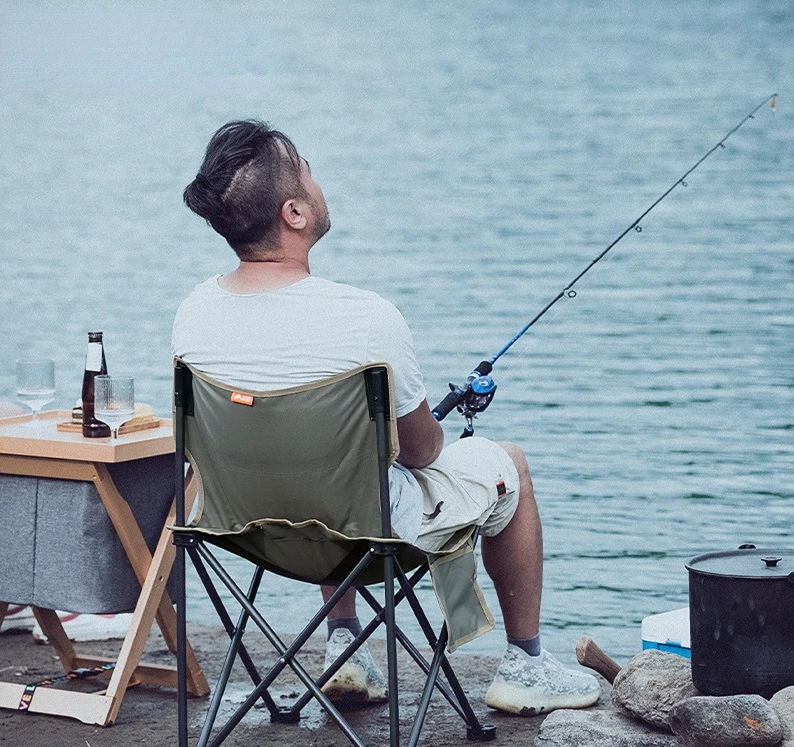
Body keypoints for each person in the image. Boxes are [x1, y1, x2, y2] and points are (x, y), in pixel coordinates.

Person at [172, 120, 600, 716]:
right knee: (510, 466)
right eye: (309, 173)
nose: (320, 184)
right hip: (368, 540)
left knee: (324, 466)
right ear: (294, 213)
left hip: (245, 531)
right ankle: (525, 664)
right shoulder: (366, 317)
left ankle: (344, 645)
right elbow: (422, 453)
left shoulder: (193, 315)